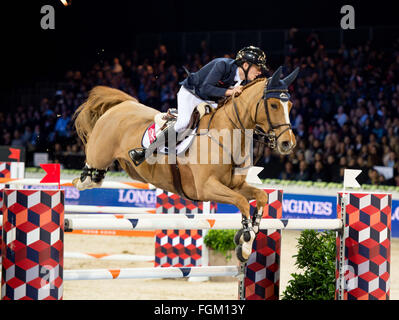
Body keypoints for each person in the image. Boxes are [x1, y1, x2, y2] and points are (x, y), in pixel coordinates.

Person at [130, 46, 268, 165]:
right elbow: (206, 88)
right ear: (245, 65)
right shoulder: (222, 65)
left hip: (210, 100)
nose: (260, 72)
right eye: (258, 67)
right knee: (183, 124)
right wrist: (231, 91)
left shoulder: (244, 83)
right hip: (192, 94)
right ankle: (146, 151)